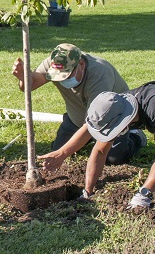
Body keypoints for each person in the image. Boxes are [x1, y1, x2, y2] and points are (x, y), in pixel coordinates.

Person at [15, 43, 147, 165]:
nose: (63, 80)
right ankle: (86, 140)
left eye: (66, 76)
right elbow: (31, 84)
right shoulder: (54, 64)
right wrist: (23, 77)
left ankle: (135, 136)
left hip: (110, 121)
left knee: (113, 158)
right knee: (57, 148)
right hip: (76, 118)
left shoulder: (99, 75)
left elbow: (93, 123)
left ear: (81, 64)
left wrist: (63, 154)